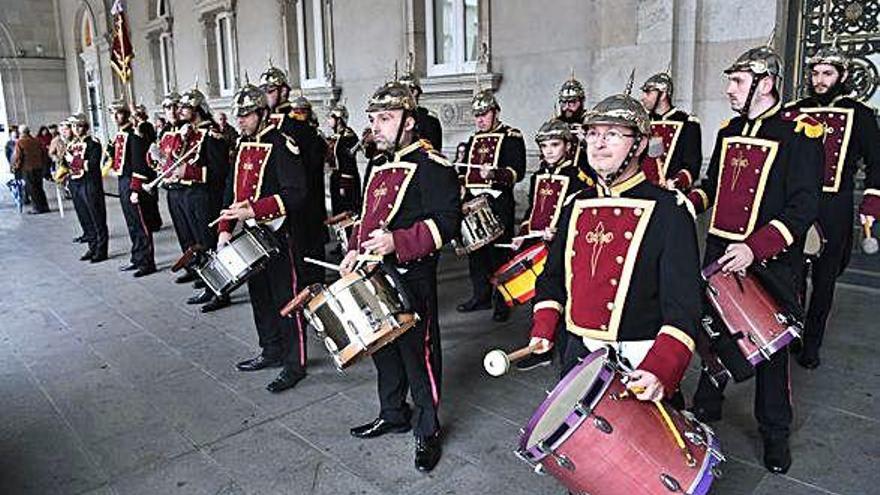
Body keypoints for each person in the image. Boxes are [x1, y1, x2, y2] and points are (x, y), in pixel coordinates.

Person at [685, 44, 823, 474]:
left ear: (765, 84)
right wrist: (686, 202)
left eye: (737, 82)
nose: (728, 89)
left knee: (769, 353)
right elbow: (712, 184)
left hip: (767, 260)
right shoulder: (728, 131)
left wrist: (755, 248)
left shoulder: (801, 134)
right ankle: (708, 402)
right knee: (712, 334)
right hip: (719, 251)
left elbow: (803, 208)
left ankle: (775, 434)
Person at [525, 85, 701, 416]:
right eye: (592, 134)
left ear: (640, 144)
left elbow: (684, 302)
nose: (599, 143)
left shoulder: (669, 209)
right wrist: (545, 325)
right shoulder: (575, 204)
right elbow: (553, 278)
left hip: (641, 363)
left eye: (613, 134)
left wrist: (661, 367)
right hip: (579, 355)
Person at [340, 79, 460, 473]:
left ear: (409, 121)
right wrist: (354, 252)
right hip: (373, 271)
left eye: (386, 118)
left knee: (418, 353)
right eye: (373, 118)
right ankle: (393, 412)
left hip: (412, 273)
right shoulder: (377, 164)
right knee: (383, 349)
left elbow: (448, 223)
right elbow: (367, 218)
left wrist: (399, 242)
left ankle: (427, 428)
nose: (376, 126)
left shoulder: (433, 165)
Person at [781, 40, 880, 369]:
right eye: (815, 73)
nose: (819, 80)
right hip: (796, 204)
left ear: (842, 75)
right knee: (793, 274)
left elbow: (877, 164)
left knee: (824, 279)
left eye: (827, 73)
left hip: (834, 206)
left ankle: (812, 342)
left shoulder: (861, 115)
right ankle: (791, 334)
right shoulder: (793, 111)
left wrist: (871, 203)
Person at [217, 81, 309, 393]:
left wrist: (254, 210)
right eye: (238, 116)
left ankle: (294, 364)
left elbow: (297, 193)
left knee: (287, 298)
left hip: (280, 234)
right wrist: (225, 230)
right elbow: (231, 191)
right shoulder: (242, 146)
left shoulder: (283, 144)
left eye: (245, 115)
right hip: (251, 234)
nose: (239, 121)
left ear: (261, 113)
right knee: (260, 296)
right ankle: (270, 350)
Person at [512, 118, 595, 371]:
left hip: (561, 250)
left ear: (568, 146)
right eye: (545, 145)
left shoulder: (579, 178)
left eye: (555, 144)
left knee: (562, 300)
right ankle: (542, 347)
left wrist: (559, 233)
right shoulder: (539, 176)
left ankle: (561, 352)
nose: (549, 150)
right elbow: (532, 213)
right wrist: (524, 233)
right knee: (539, 299)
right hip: (538, 246)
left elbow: (584, 220)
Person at [456, 86, 526, 322]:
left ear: (496, 112)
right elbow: (465, 172)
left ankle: (502, 300)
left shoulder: (512, 136)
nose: (480, 120)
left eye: (484, 114)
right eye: (477, 115)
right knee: (476, 256)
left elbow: (519, 171)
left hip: (497, 202)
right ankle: (481, 296)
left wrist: (494, 174)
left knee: (499, 255)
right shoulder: (473, 139)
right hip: (473, 203)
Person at [260, 63, 329, 288]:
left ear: (283, 91)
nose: (265, 96)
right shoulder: (265, 126)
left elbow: (311, 167)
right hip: (280, 206)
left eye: (269, 91)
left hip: (304, 205)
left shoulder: (298, 125)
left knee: (309, 259)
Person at [169, 86, 231, 312]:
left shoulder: (211, 133)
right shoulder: (189, 132)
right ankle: (209, 284)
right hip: (189, 194)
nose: (181, 110)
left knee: (209, 244)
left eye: (185, 107)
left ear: (196, 109)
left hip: (206, 196)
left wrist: (190, 173)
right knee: (198, 245)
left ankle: (220, 291)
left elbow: (219, 171)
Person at [107, 102, 156, 277]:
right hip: (123, 180)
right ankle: (137, 257)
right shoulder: (120, 134)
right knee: (132, 223)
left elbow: (139, 164)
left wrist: (136, 188)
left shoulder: (134, 134)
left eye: (118, 113)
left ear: (126, 114)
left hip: (133, 182)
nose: (115, 117)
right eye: (112, 113)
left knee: (141, 223)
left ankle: (147, 261)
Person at [639, 71, 703, 191]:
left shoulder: (687, 123)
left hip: (671, 192)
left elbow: (692, 165)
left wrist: (674, 183)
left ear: (663, 95)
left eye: (648, 92)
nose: (642, 97)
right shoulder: (642, 123)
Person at [67, 113, 108, 262]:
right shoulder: (71, 144)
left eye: (78, 126)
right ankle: (92, 246)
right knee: (84, 217)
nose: (76, 129)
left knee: (97, 217)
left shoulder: (93, 144)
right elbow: (67, 164)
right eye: (73, 126)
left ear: (85, 127)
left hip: (90, 184)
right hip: (76, 183)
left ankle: (101, 250)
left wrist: (74, 160)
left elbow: (91, 165)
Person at [326, 102, 361, 217]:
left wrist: (344, 183)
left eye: (331, 117)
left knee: (347, 211)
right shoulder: (335, 136)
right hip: (336, 177)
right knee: (337, 211)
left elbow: (348, 162)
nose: (328, 120)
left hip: (346, 179)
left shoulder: (348, 136)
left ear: (339, 119)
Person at [400, 69, 443, 151]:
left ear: (414, 92)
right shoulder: (398, 117)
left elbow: (433, 150)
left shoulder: (428, 119)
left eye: (403, 92)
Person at [555, 72, 590, 172]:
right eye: (563, 102)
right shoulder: (555, 123)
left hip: (583, 173)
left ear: (582, 101)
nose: (567, 107)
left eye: (572, 102)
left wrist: (584, 141)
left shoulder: (590, 122)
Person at [12, 125, 50, 214]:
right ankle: (45, 206)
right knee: (39, 188)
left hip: (27, 168)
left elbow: (19, 157)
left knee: (32, 189)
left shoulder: (20, 142)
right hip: (39, 167)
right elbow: (43, 153)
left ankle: (37, 208)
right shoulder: (37, 140)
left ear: (21, 132)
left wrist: (15, 167)